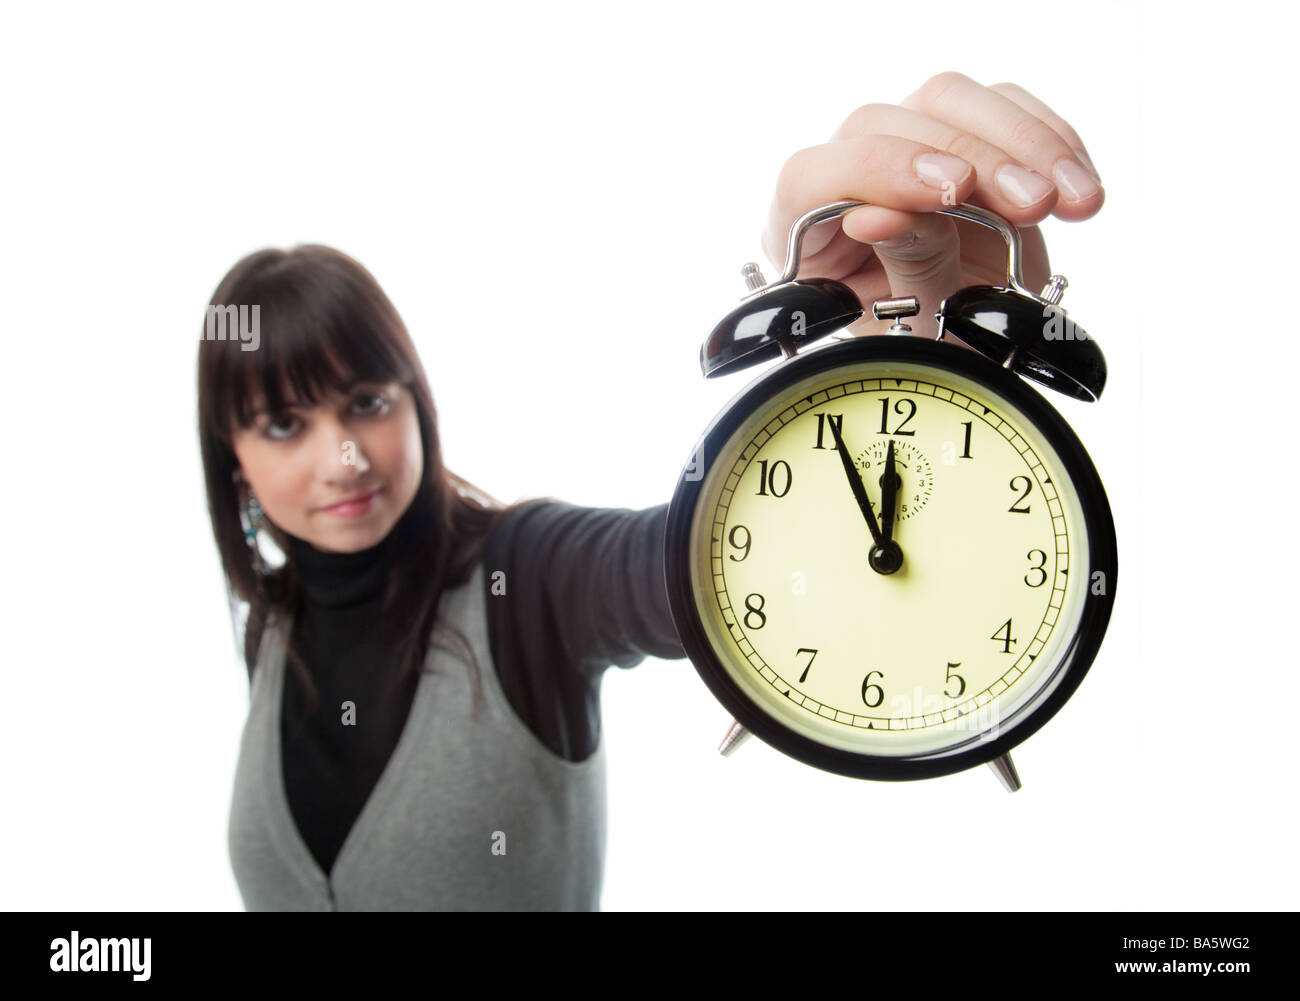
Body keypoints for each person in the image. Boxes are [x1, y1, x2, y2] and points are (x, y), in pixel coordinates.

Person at [198, 73, 1103, 911]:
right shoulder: (269, 629)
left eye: (366, 401)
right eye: (285, 423)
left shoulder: (533, 575)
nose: (344, 456)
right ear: (232, 454)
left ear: (415, 404)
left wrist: (896, 385)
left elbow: (708, 560)